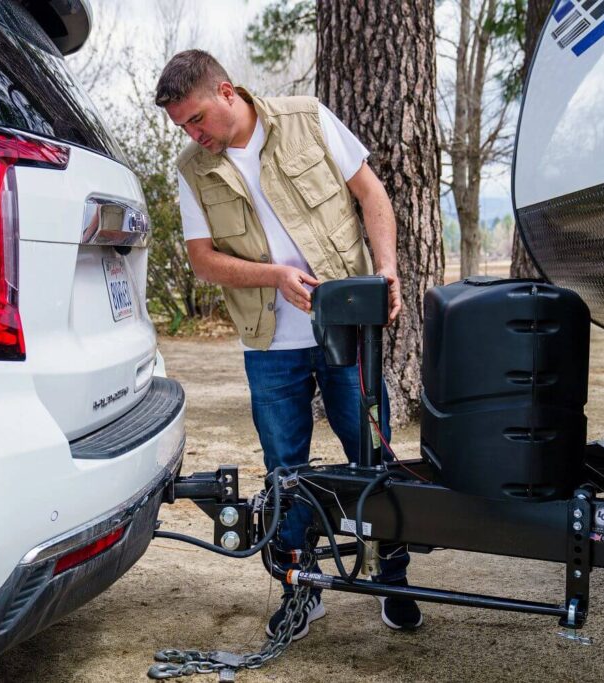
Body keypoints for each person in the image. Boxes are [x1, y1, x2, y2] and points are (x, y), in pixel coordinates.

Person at [155, 50, 422, 639]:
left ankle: (392, 576)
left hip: (347, 329)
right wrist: (274, 277)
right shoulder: (191, 167)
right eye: (182, 128)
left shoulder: (307, 117)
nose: (194, 135)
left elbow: (372, 197)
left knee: (372, 457)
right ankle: (300, 590)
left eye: (197, 119)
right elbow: (202, 261)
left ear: (227, 92)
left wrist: (386, 270)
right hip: (269, 343)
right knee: (285, 472)